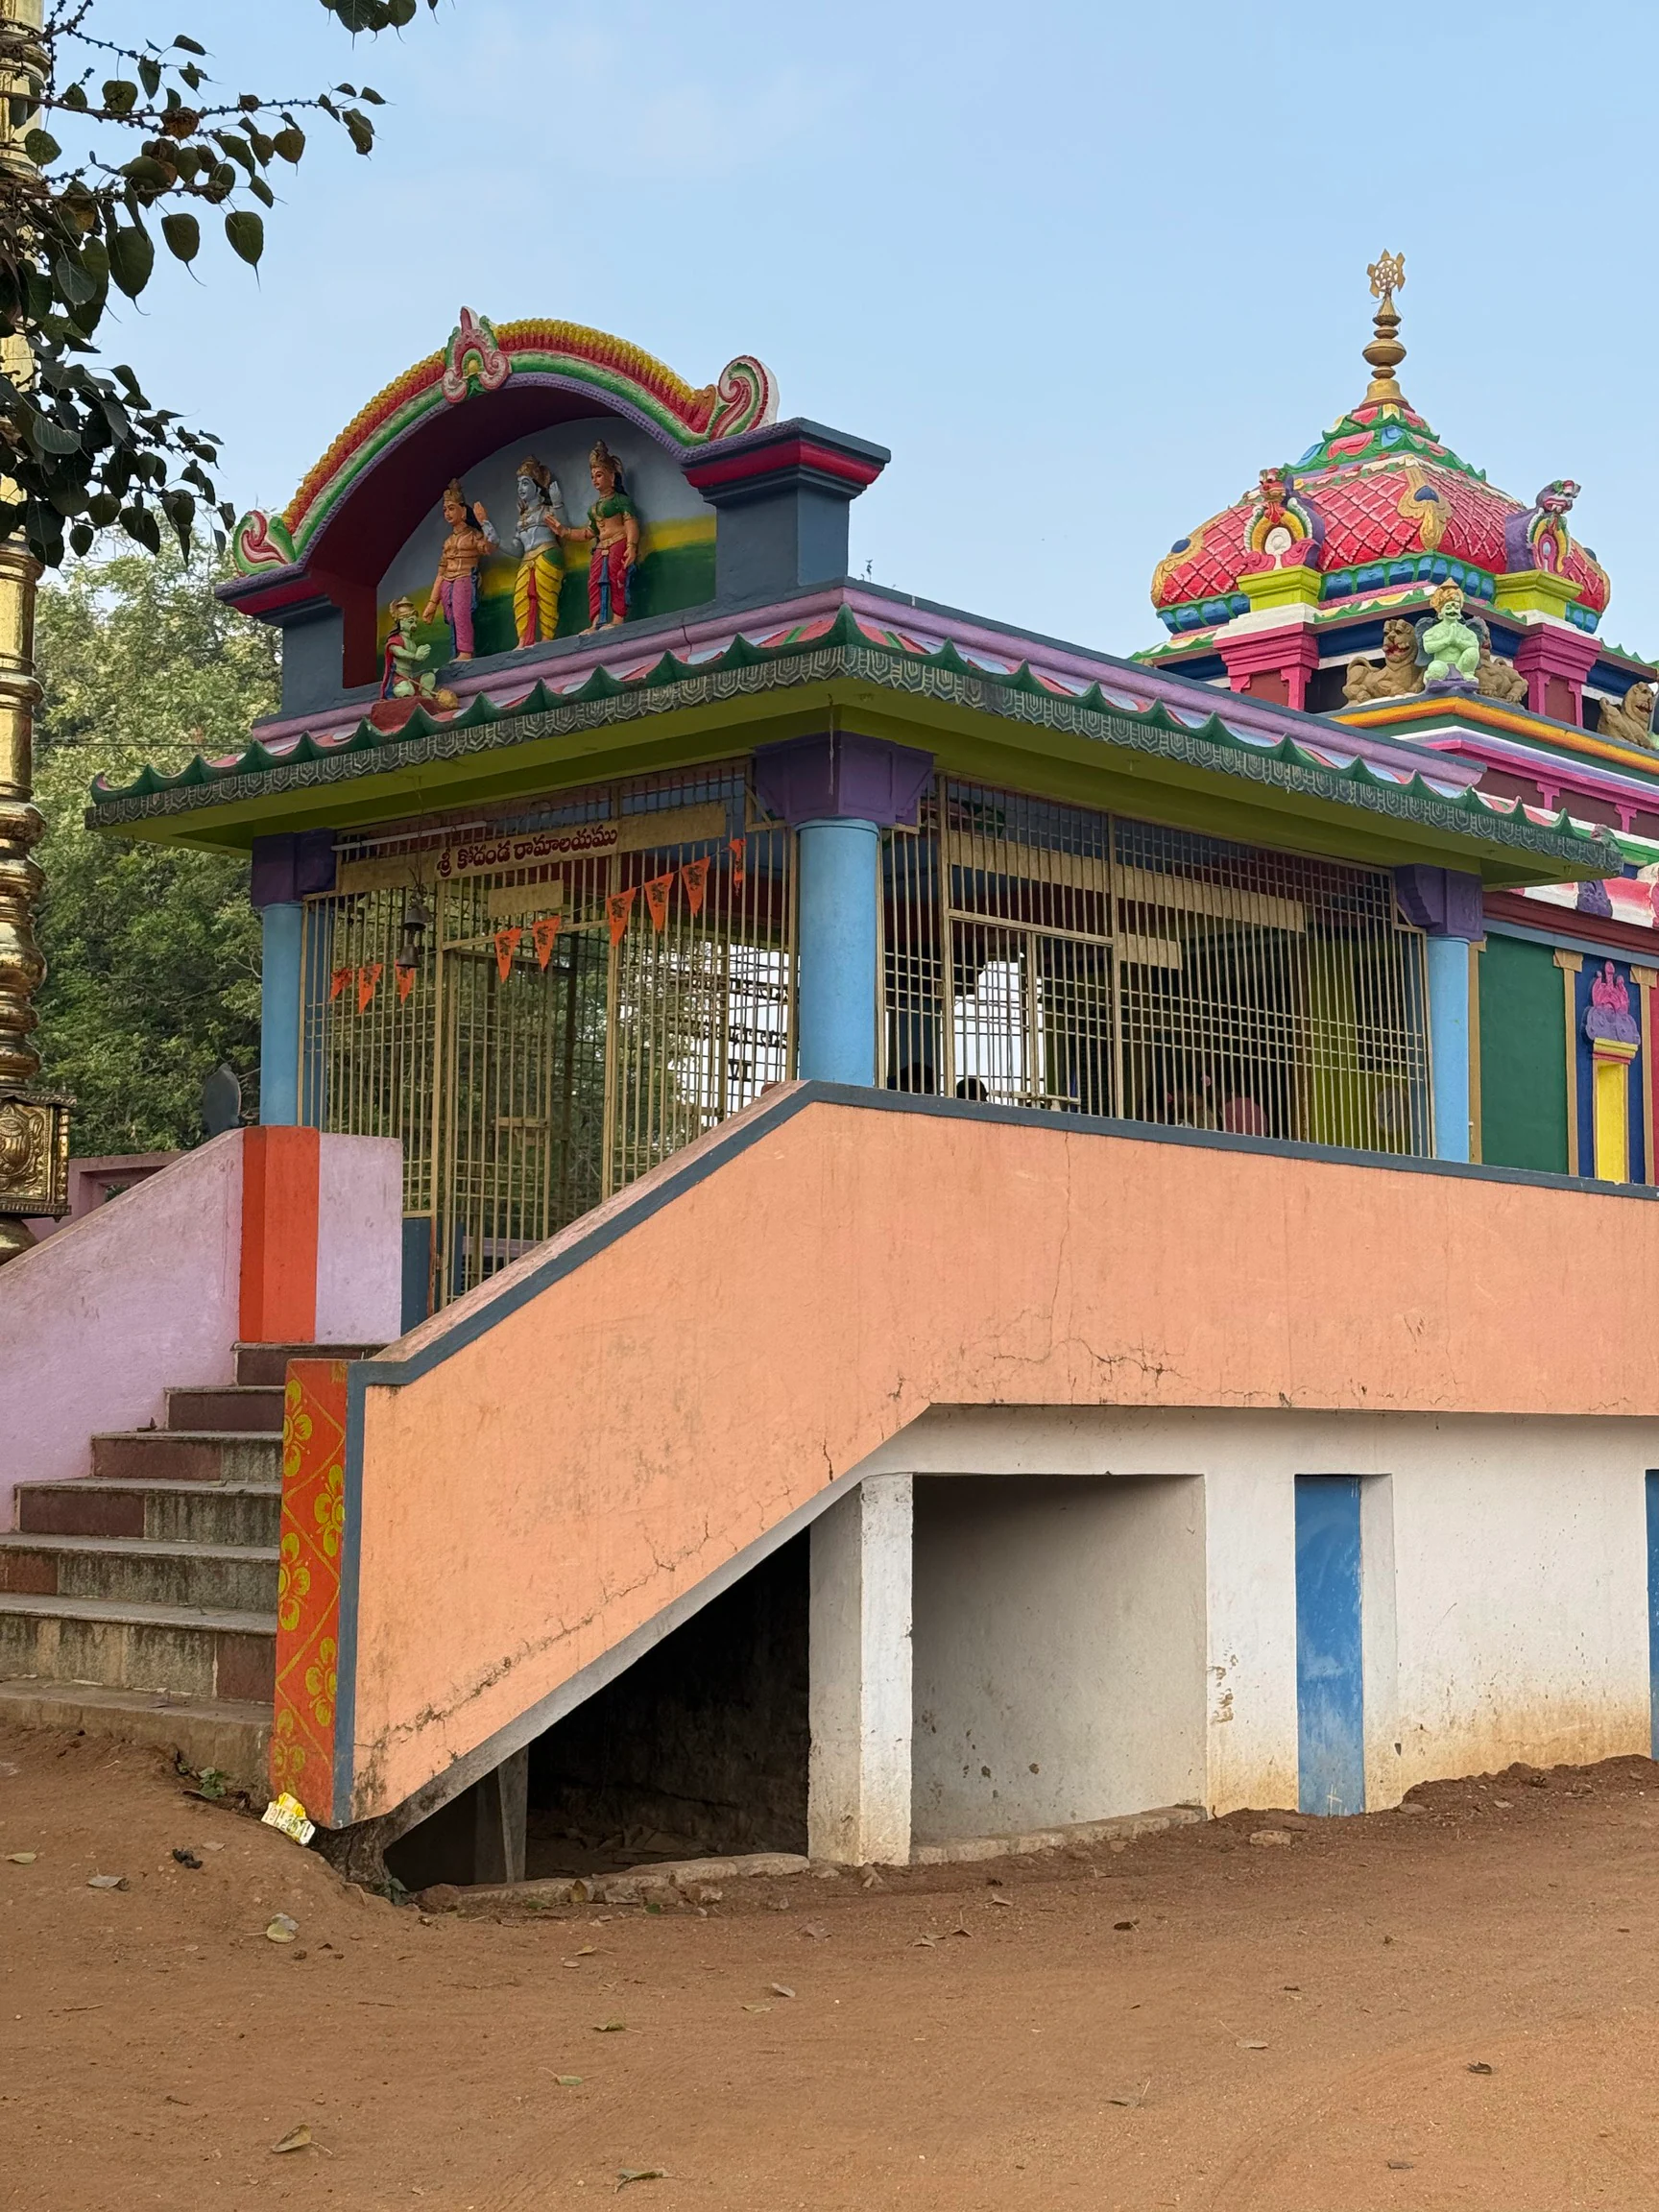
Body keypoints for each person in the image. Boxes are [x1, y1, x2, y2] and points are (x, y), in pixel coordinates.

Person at [563, 440, 641, 631]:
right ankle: (596, 621)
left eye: (599, 475)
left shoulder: (621, 500)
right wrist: (562, 531)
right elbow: (588, 533)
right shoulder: (594, 507)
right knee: (594, 582)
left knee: (617, 579)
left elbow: (631, 523)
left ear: (612, 476)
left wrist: (631, 547)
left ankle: (617, 619)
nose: (595, 480)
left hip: (618, 543)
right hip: (600, 547)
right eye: (592, 477)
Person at [422, 479, 498, 661]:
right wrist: (432, 603)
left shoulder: (473, 535)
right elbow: (441, 572)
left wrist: (485, 523)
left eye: (451, 508)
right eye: (445, 510)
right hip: (447, 581)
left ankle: (465, 651)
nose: (448, 513)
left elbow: (489, 548)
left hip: (464, 578)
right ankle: (455, 652)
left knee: (460, 613)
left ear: (463, 511)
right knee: (451, 618)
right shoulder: (448, 542)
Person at [510, 456, 565, 647]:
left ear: (537, 485)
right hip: (526, 560)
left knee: (546, 596)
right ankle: (523, 640)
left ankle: (547, 638)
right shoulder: (522, 518)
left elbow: (564, 527)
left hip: (547, 554)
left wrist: (558, 504)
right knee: (520, 598)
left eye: (525, 483)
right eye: (519, 484)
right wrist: (494, 539)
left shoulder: (547, 510)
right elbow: (517, 548)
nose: (521, 489)